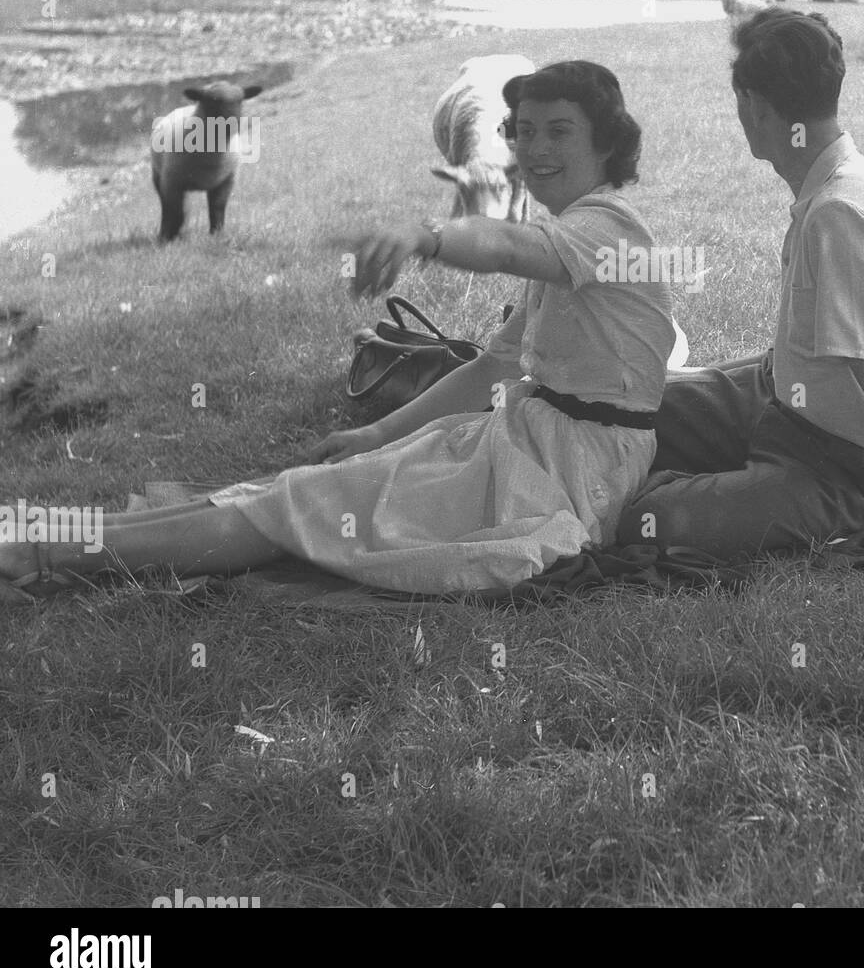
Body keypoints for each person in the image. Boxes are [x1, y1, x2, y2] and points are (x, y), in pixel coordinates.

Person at [1, 61, 675, 597]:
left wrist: (425, 233)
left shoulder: (607, 228)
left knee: (303, 506)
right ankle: (55, 532)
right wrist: (375, 433)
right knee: (297, 489)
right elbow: (492, 369)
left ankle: (47, 551)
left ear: (608, 142)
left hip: (567, 474)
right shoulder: (572, 231)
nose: (534, 149)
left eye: (558, 131)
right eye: (524, 131)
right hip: (527, 441)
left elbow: (502, 247)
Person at [613, 7, 864, 579]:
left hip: (839, 465)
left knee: (640, 519)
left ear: (755, 108)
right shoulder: (834, 187)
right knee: (619, 408)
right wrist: (692, 385)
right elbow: (800, 353)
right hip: (783, 403)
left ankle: (698, 485)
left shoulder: (842, 214)